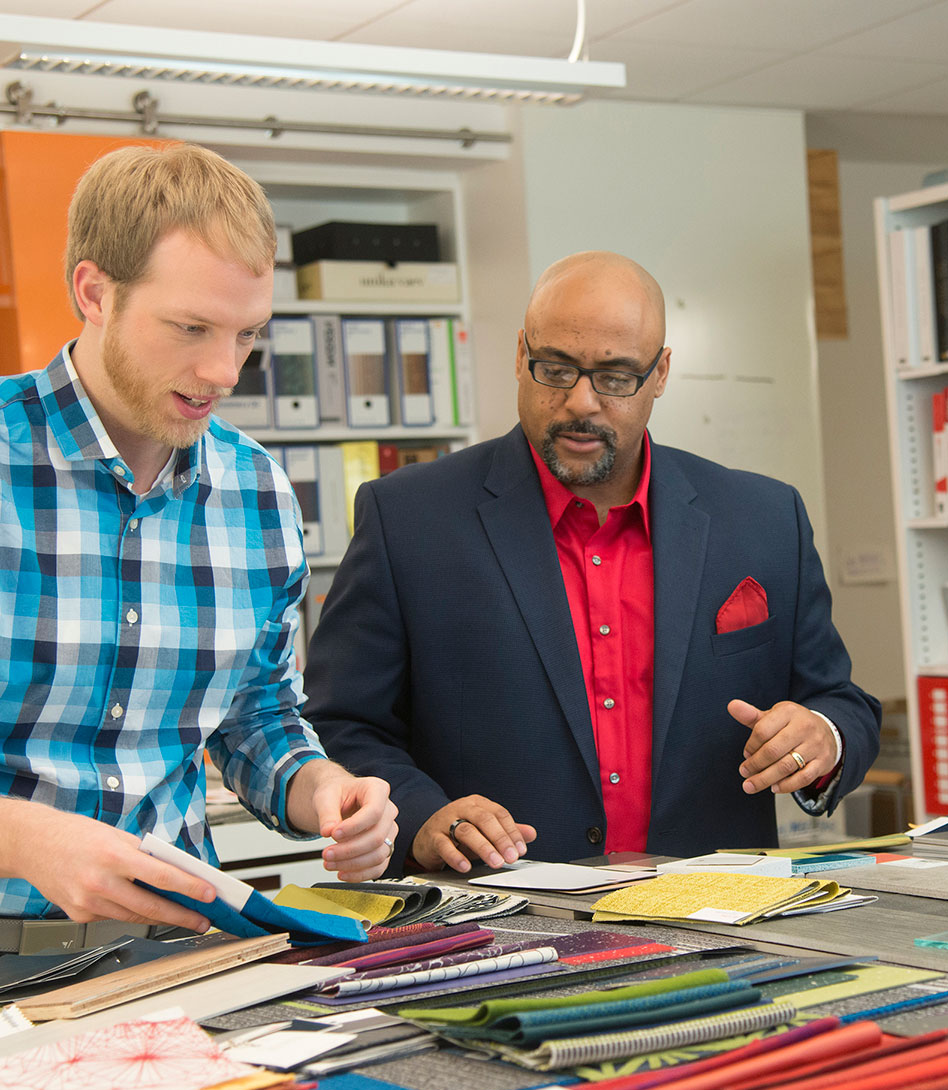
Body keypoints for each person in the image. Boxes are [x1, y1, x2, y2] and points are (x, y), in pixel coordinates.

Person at [304, 251, 881, 873]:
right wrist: (419, 817)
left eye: (615, 376)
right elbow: (342, 722)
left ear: (660, 374)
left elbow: (838, 699)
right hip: (493, 922)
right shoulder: (409, 518)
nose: (581, 402)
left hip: (718, 913)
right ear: (521, 353)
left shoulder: (764, 518)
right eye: (555, 368)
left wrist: (824, 734)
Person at [0, 143, 397, 935]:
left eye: (248, 335)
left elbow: (256, 715)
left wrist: (322, 789)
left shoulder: (255, 493)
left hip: (175, 948)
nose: (224, 371)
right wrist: (23, 837)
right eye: (191, 327)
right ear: (95, 293)